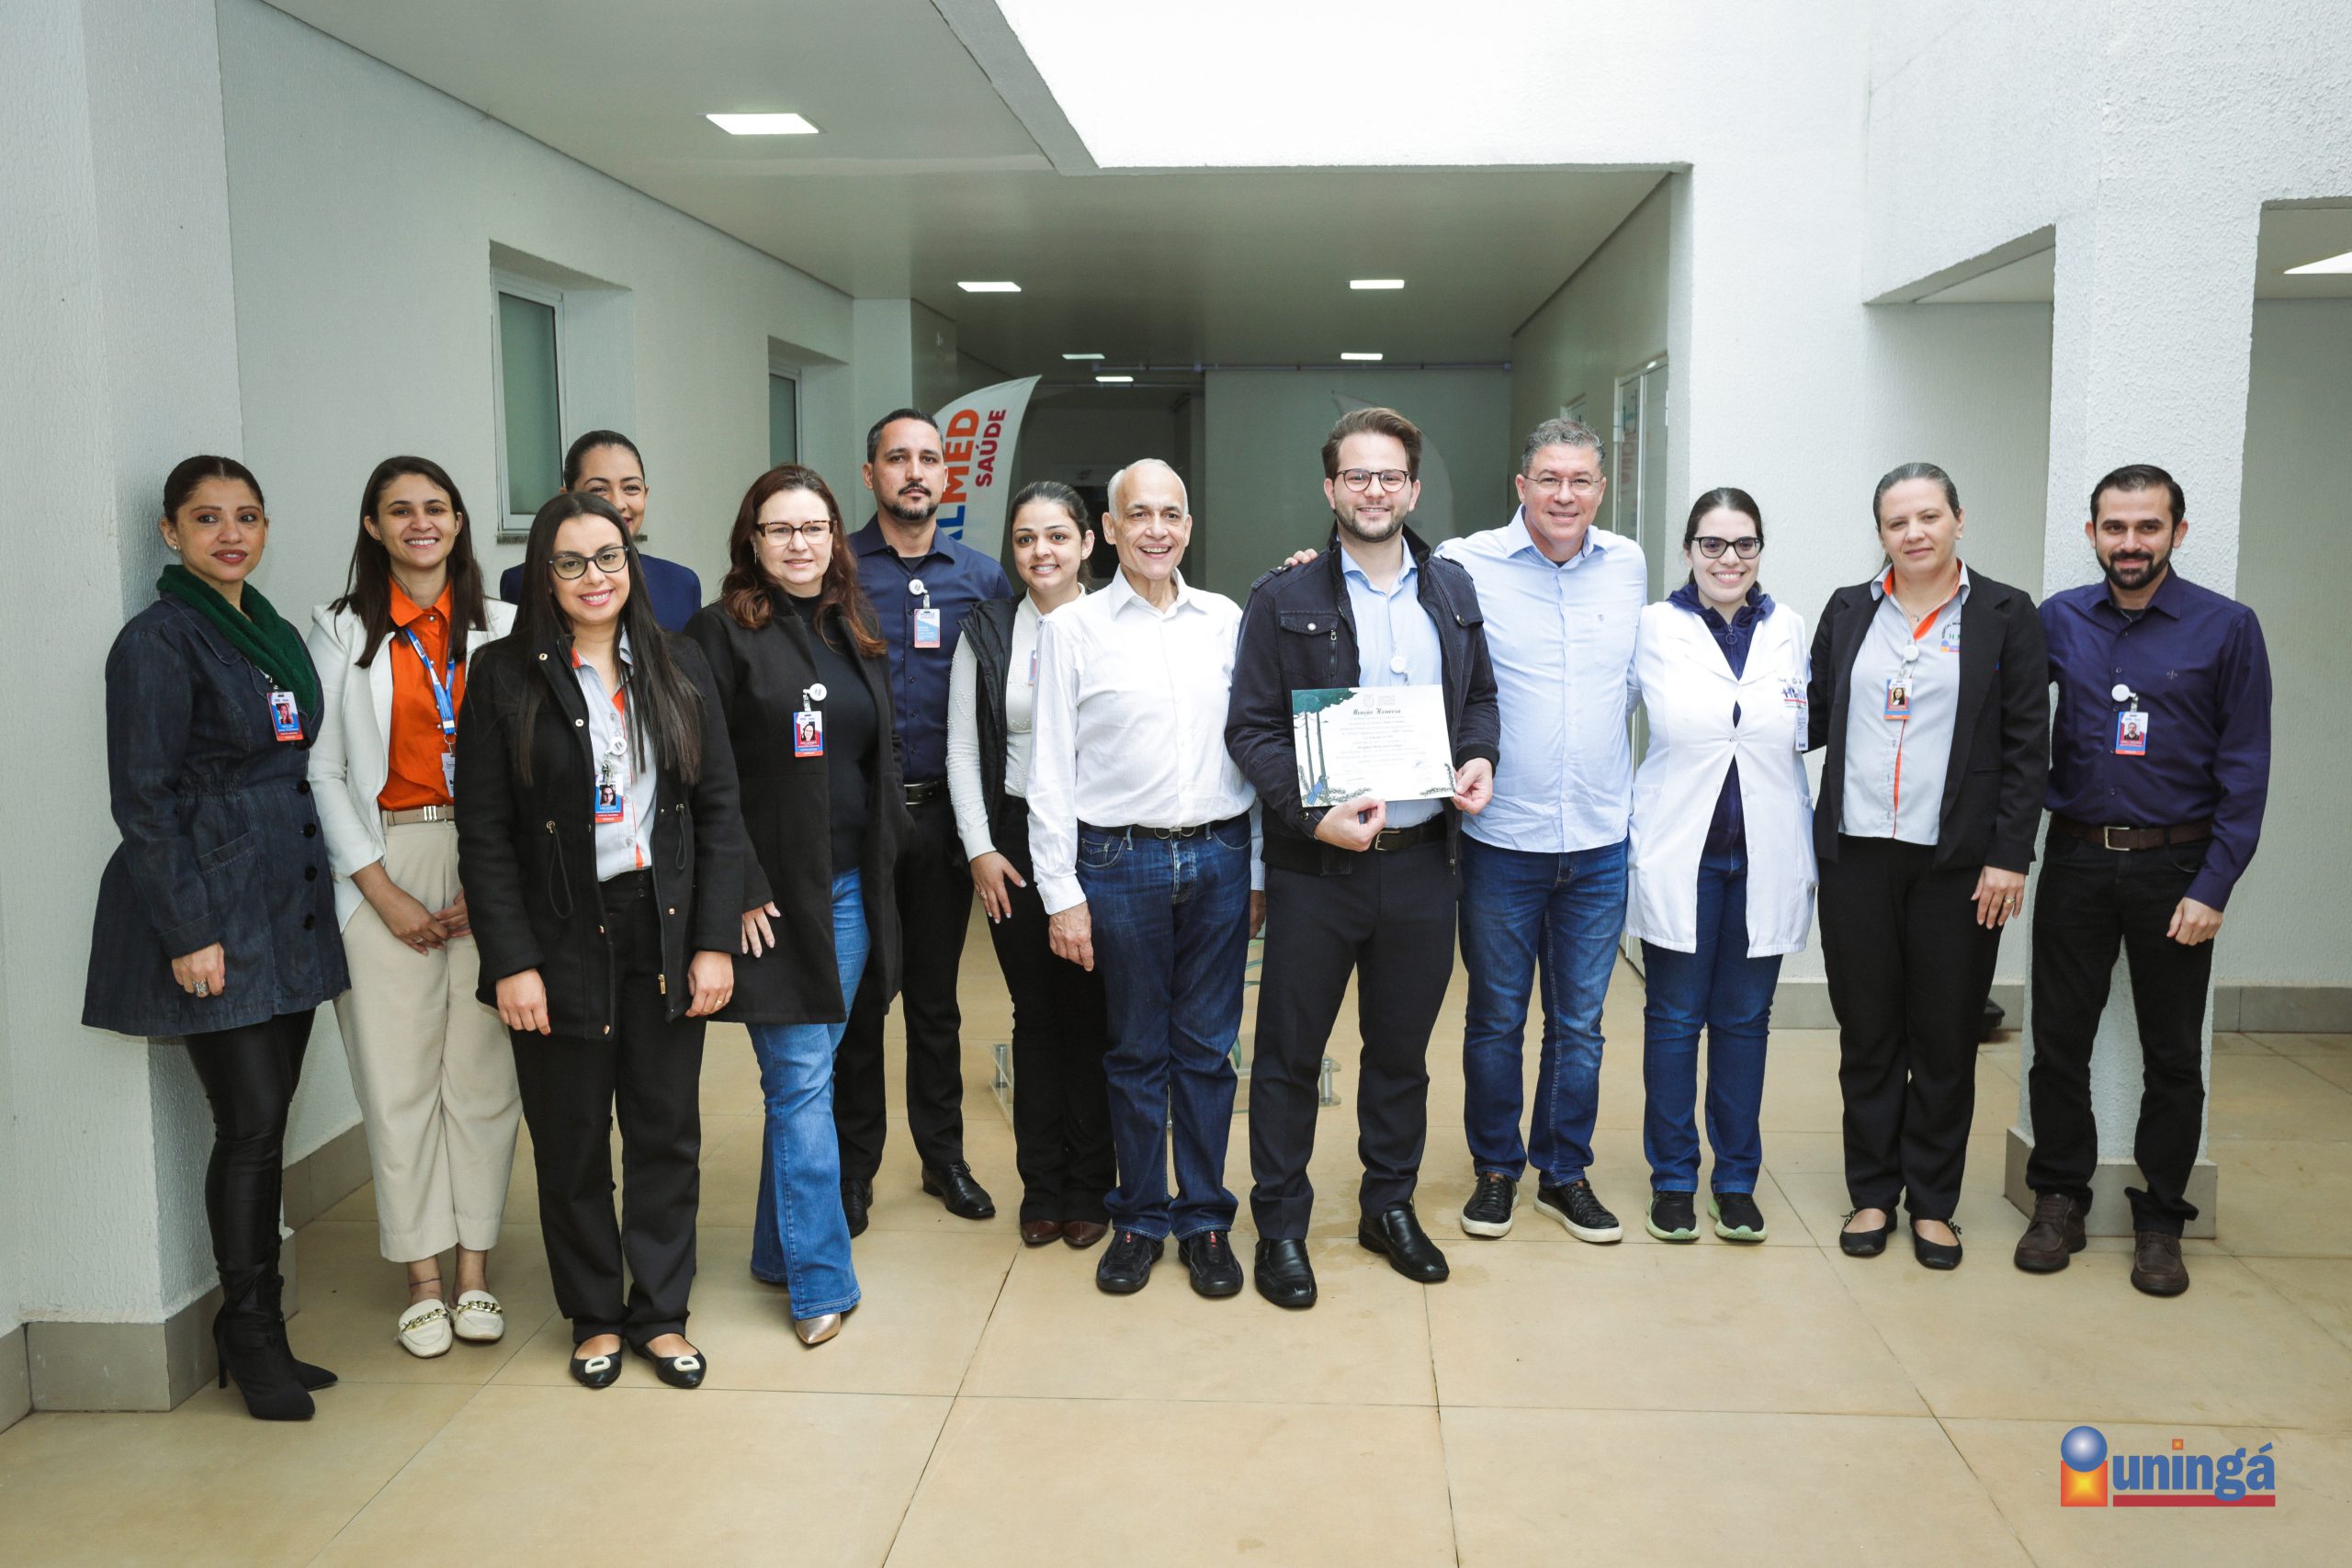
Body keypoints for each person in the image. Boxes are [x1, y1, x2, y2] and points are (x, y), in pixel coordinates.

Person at [455, 491, 759, 1389]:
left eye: (609, 557)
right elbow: (484, 834)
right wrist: (512, 962)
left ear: (632, 565)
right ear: (543, 575)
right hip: (557, 936)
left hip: (660, 924)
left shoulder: (678, 662)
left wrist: (712, 942)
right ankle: (595, 1315)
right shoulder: (503, 676)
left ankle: (660, 1314)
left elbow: (719, 810)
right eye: (572, 561)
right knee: (573, 1137)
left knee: (665, 1132)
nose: (595, 577)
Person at [85, 456, 347, 1420]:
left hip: (288, 905)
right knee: (250, 1124)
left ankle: (259, 1328)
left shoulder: (265, 632)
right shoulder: (158, 640)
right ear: (171, 532)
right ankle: (250, 1331)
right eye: (207, 518)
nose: (230, 534)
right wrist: (189, 931)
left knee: (268, 1123)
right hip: (217, 915)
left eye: (246, 517)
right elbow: (143, 800)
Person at [1224, 409, 1498, 1308]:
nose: (1373, 491)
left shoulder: (1451, 590)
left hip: (1421, 865)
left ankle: (1388, 1207)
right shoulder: (1283, 597)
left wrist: (1479, 758)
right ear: (1330, 488)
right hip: (1318, 870)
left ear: (1412, 489)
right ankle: (1282, 1226)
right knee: (1288, 1056)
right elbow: (1251, 729)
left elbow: (1481, 700)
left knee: (1400, 1055)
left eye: (1389, 477)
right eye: (1356, 476)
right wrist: (1315, 819)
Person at [2016, 464, 2271, 1297]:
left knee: (2173, 1052)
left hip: (2177, 867)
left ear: (2177, 532)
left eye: (2148, 527)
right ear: (2092, 533)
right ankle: (2059, 1197)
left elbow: (2247, 767)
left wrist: (2215, 885)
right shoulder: (2058, 619)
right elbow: (2014, 731)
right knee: (2059, 1041)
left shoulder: (2227, 628)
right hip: (2077, 858)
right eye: (2115, 527)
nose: (2130, 543)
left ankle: (2162, 1219)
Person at [1029, 458, 1265, 1298]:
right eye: (1139, 515)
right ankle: (1138, 1217)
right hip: (1117, 862)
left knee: (1206, 1051)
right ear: (1110, 529)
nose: (1156, 530)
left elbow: (1252, 746)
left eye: (1171, 514)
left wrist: (1258, 867)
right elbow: (1049, 770)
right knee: (1133, 1051)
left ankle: (1204, 1219)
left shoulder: (1227, 621)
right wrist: (1060, 893)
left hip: (1221, 857)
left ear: (1188, 527)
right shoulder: (1072, 630)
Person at [687, 465, 909, 1347]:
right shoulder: (718, 634)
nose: (800, 543)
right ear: (752, 540)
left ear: (834, 537)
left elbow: (873, 753)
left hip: (850, 889)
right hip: (773, 902)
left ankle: (775, 1252)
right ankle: (820, 1281)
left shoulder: (850, 622)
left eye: (814, 527)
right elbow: (701, 773)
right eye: (780, 529)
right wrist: (739, 885)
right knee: (802, 1080)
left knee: (809, 1072)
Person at [307, 457, 520, 1359]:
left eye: (436, 507)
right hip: (385, 854)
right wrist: (379, 887)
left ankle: (474, 1271)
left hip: (489, 858)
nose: (420, 522)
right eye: (399, 510)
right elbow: (321, 770)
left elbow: (529, 761)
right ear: (373, 526)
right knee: (395, 1083)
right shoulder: (339, 629)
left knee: (482, 1076)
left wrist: (494, 878)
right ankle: (422, 1280)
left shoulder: (505, 626)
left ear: (460, 521)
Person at [1809, 462, 2048, 1269]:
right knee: (1868, 1031)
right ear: (1880, 533)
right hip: (1856, 856)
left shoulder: (2006, 614)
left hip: (1959, 864)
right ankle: (1873, 1191)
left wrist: (2010, 855)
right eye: (1896, 521)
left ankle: (1934, 1202)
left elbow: (2028, 744)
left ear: (1958, 519)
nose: (1913, 533)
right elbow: (1807, 712)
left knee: (1945, 1035)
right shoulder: (1849, 610)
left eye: (1928, 516)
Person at [1436, 417, 1646, 1244]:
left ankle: (1564, 1172)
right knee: (1496, 1020)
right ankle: (1496, 1169)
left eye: (1581, 480)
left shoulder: (1628, 565)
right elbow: (1381, 594)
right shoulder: (1464, 563)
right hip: (1501, 839)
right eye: (1549, 479)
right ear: (1522, 486)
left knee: (1580, 1025)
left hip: (1598, 839)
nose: (1566, 495)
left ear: (1602, 488)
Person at [837, 409, 1014, 1232]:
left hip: (944, 819)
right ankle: (854, 1168)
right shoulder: (837, 571)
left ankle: (944, 1157)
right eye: (897, 458)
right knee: (861, 999)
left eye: (929, 459)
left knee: (936, 1001)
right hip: (860, 821)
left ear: (948, 475)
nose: (915, 472)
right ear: (871, 473)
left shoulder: (982, 577)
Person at [1625, 490, 1815, 1245]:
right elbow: (1606, 719)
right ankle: (1673, 1179)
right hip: (1682, 854)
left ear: (1760, 550)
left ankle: (1735, 1181)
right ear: (1688, 550)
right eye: (1712, 544)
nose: (1729, 559)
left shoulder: (1788, 627)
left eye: (1744, 544)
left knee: (1744, 1022)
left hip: (1765, 854)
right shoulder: (1652, 627)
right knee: (1674, 1019)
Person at [947, 481, 1114, 1250]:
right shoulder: (986, 629)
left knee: (1093, 1015)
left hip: (1099, 839)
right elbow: (961, 750)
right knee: (1036, 1014)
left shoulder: (1113, 624)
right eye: (1025, 538)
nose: (1041, 551)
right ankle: (1043, 1186)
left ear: (1087, 543)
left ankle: (1093, 1184)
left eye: (1056, 535)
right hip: (1013, 839)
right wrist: (980, 848)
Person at [497, 431, 702, 631]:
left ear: (645, 494)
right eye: (598, 489)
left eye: (631, 488)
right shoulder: (523, 582)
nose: (618, 504)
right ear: (567, 497)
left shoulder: (681, 583)